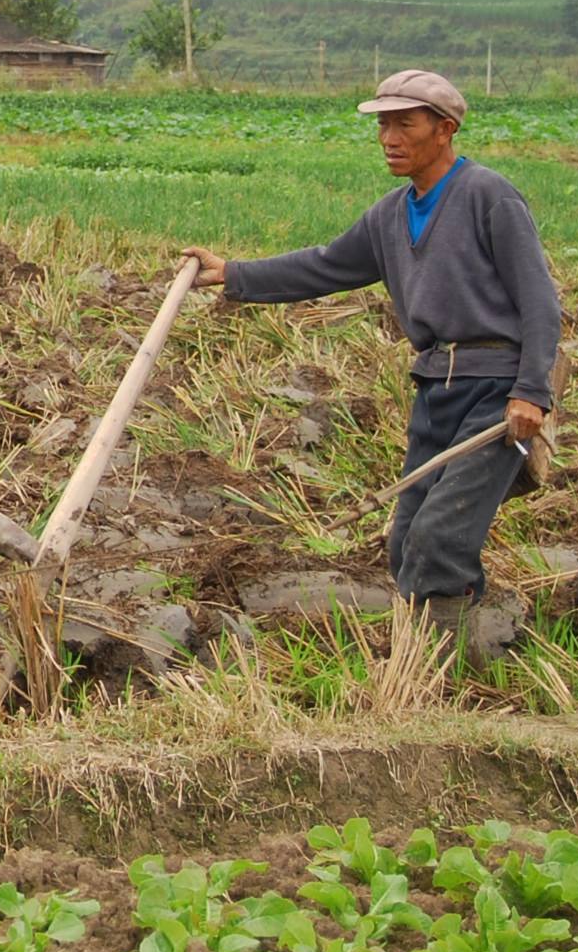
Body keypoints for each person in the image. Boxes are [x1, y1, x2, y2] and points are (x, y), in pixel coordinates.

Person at [180, 68, 558, 665]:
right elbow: (326, 265)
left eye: (404, 123)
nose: (389, 137)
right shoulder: (389, 215)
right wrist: (235, 273)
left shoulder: (490, 197)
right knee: (407, 540)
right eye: (383, 124)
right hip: (435, 389)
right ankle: (427, 675)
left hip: (495, 390)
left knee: (441, 539)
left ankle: (452, 683)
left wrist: (532, 392)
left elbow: (541, 300)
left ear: (445, 129)